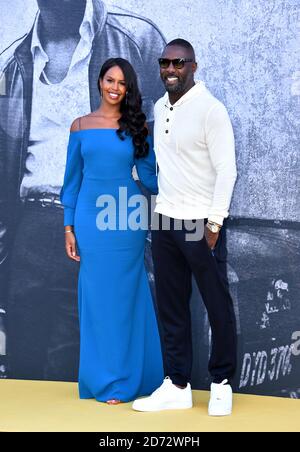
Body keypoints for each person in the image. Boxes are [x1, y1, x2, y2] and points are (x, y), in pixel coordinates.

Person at [0, 0, 165, 380]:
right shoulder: (14, 61)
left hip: (102, 223)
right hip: (32, 232)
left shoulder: (136, 40)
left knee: (74, 367)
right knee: (25, 370)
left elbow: (175, 138)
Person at [132, 39, 238, 416]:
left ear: (193, 66)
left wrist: (214, 223)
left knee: (216, 303)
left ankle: (222, 382)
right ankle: (177, 384)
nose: (170, 69)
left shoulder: (211, 110)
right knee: (171, 306)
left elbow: (228, 170)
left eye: (178, 62)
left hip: (199, 222)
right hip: (164, 219)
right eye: (165, 63)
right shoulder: (160, 107)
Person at [60, 57, 163, 403]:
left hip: (127, 221)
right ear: (100, 82)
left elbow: (149, 179)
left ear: (128, 88)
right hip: (91, 221)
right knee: (97, 302)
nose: (115, 88)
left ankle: (123, 380)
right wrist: (68, 227)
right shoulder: (79, 126)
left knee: (124, 299)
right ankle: (100, 379)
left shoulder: (137, 127)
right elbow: (71, 183)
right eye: (110, 80)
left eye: (122, 83)